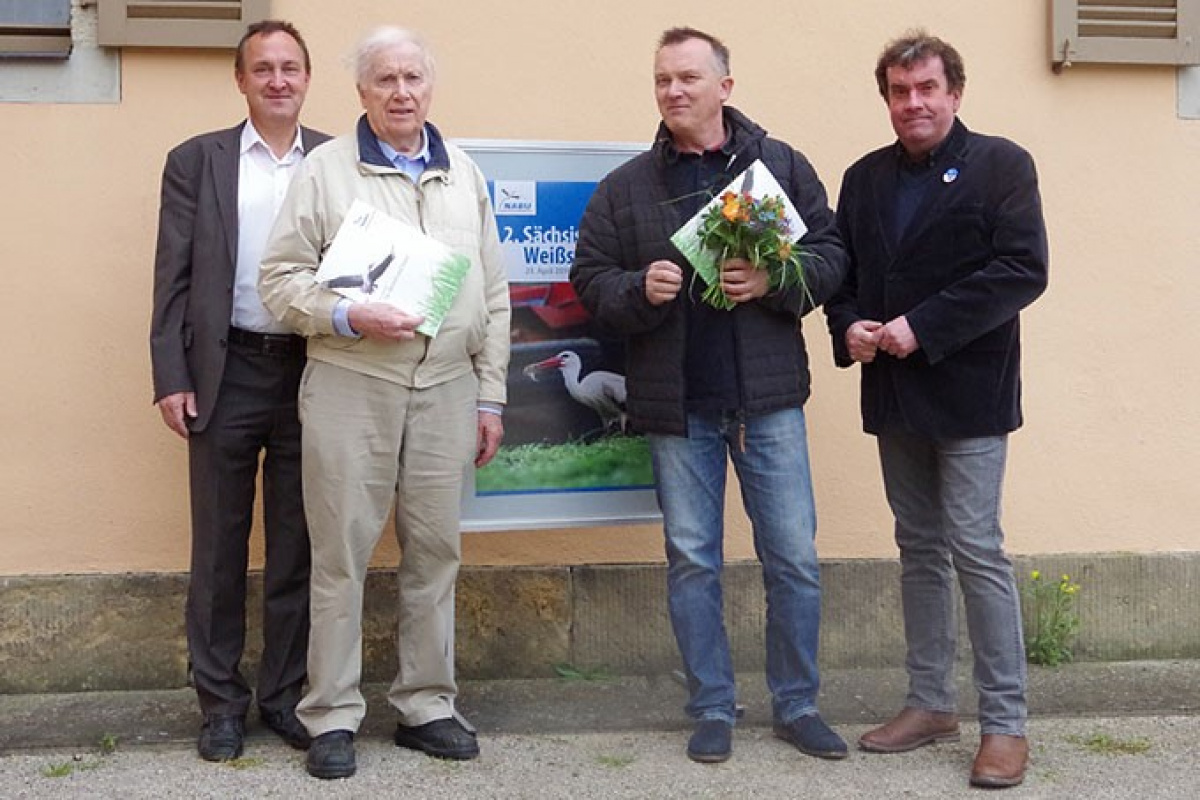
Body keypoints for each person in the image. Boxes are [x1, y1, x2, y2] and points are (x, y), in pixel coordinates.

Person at [570, 27, 849, 764]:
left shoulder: (779, 165)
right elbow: (590, 281)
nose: (673, 91)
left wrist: (773, 279)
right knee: (693, 559)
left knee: (792, 557)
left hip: (768, 403)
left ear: (725, 86)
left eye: (689, 77)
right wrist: (638, 288)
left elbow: (832, 255)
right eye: (663, 79)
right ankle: (713, 706)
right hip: (677, 406)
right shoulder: (627, 187)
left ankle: (797, 703)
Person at [259, 25, 510, 780]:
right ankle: (330, 714)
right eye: (385, 82)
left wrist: (490, 397)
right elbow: (279, 280)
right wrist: (346, 314)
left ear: (429, 87)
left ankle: (427, 705)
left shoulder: (462, 171)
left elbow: (493, 296)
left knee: (436, 553)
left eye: (413, 80)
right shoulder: (326, 171)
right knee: (340, 555)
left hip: (446, 389)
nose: (402, 94)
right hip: (351, 382)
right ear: (361, 93)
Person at [824, 31, 1049, 789]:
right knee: (917, 547)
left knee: (976, 548)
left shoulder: (1002, 165)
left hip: (970, 391)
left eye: (926, 88)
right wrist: (845, 324)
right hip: (892, 392)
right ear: (886, 97)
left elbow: (1023, 270)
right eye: (898, 90)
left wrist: (924, 326)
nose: (912, 103)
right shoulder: (862, 179)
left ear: (955, 92)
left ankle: (1006, 725)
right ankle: (929, 703)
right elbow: (842, 274)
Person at [148, 21, 328, 762]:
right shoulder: (197, 161)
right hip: (225, 372)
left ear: (307, 78)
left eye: (290, 67)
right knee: (219, 547)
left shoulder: (337, 159)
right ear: (241, 80)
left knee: (297, 544)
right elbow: (173, 278)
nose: (278, 79)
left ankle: (284, 696)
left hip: (315, 372)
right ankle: (220, 703)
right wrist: (171, 375)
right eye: (264, 68)